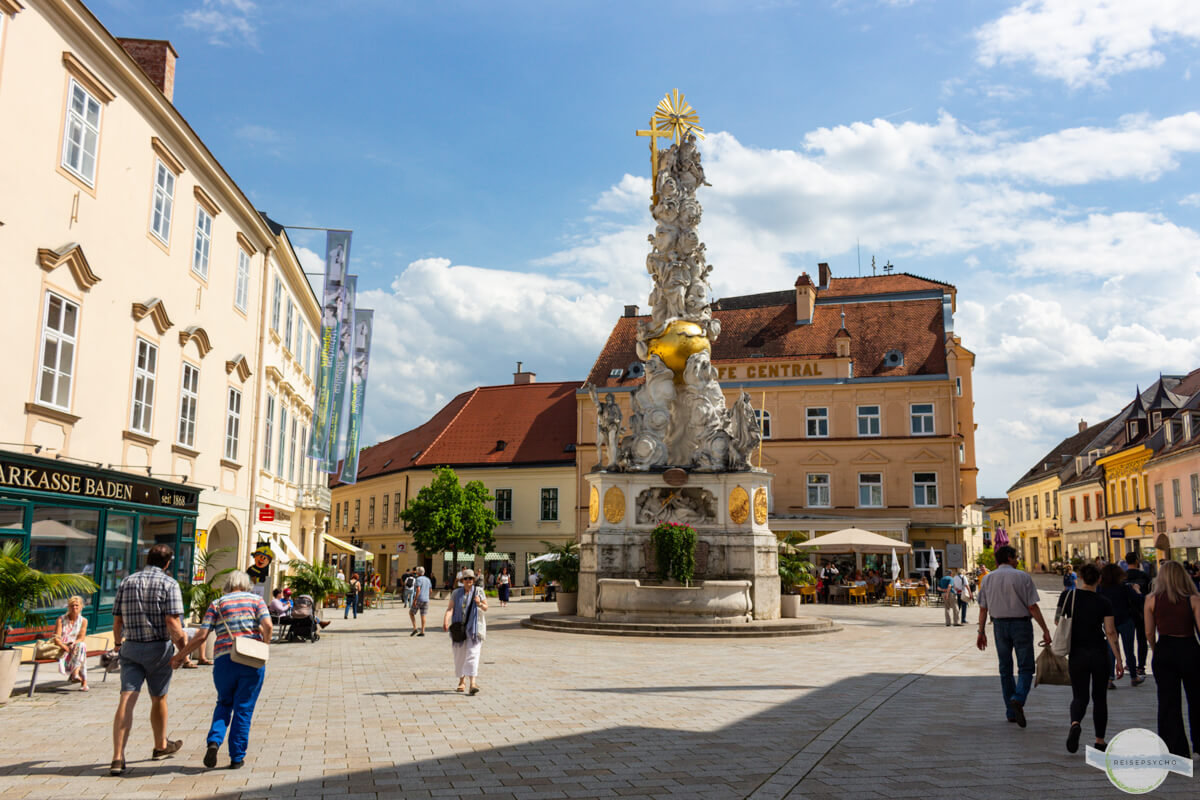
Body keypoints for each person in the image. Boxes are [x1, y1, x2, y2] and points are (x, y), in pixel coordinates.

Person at [172, 571, 271, 770]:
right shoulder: (256, 600)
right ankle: (236, 757)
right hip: (251, 660)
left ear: (228, 584)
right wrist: (265, 646)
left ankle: (214, 741)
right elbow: (267, 625)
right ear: (246, 584)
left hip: (224, 660)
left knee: (224, 702)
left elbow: (201, 636)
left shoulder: (217, 604)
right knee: (243, 708)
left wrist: (179, 656)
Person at [109, 544, 187, 776]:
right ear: (168, 563)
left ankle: (117, 757)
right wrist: (183, 651)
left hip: (131, 647)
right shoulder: (169, 583)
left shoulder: (127, 581)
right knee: (158, 697)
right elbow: (173, 623)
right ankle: (160, 745)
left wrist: (117, 644)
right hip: (157, 648)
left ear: (148, 559)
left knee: (127, 698)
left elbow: (117, 621)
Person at [976, 545, 1053, 727]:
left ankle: (1011, 712)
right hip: (1021, 624)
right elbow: (1032, 606)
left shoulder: (988, 579)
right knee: (1026, 667)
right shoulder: (1022, 577)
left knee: (1005, 668)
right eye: (1016, 557)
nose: (1018, 560)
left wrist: (981, 632)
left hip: (999, 625)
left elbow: (982, 608)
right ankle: (1018, 698)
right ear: (1009, 558)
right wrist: (1045, 629)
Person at [1056, 563, 1123, 753]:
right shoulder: (1103, 601)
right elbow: (1110, 632)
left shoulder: (1068, 596)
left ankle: (1075, 723)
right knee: (1100, 698)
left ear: (1080, 578)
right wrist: (1118, 659)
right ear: (1099, 579)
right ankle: (1100, 741)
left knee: (1080, 696)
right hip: (1099, 653)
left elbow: (1057, 620)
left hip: (1077, 653)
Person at [1144, 560, 1200, 758]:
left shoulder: (1151, 599)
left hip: (1164, 650)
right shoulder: (1193, 599)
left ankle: (1175, 750)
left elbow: (1149, 632)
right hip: (1189, 649)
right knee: (1196, 699)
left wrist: (1155, 648)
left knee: (1168, 702)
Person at [442, 568, 488, 694]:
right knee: (460, 656)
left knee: (473, 654)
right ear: (462, 580)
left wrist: (479, 604)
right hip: (459, 628)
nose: (468, 581)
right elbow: (450, 609)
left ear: (473, 580)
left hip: (474, 629)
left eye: (471, 578)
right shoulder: (456, 593)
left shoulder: (479, 592)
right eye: (466, 578)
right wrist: (446, 620)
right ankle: (462, 681)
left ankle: (473, 683)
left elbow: (486, 608)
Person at [1097, 563, 1142, 688]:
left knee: (1110, 650)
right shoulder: (1124, 587)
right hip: (1125, 620)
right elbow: (1139, 600)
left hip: (1108, 622)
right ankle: (1134, 676)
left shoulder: (1100, 588)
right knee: (1129, 649)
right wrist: (1137, 590)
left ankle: (1110, 679)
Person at [1124, 551, 1152, 679]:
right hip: (1142, 611)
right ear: (1137, 561)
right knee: (1142, 640)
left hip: (1127, 613)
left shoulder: (1122, 577)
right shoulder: (1144, 576)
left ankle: (1130, 664)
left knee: (1128, 641)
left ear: (1126, 561)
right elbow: (1150, 593)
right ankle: (1141, 667)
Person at [53, 595, 89, 691]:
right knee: (81, 649)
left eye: (77, 605)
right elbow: (56, 638)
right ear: (68, 607)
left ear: (81, 607)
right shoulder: (61, 619)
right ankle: (82, 681)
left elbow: (81, 638)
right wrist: (64, 646)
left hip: (74, 646)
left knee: (81, 645)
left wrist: (73, 644)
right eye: (72, 605)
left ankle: (76, 673)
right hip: (62, 646)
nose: (74, 608)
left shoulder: (84, 621)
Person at [409, 566, 432, 636]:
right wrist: (427, 596)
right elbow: (430, 590)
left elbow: (418, 589)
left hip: (419, 599)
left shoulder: (418, 579)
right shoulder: (428, 579)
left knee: (411, 613)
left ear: (418, 573)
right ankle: (422, 631)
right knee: (423, 615)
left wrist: (415, 599)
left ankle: (415, 628)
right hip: (426, 599)